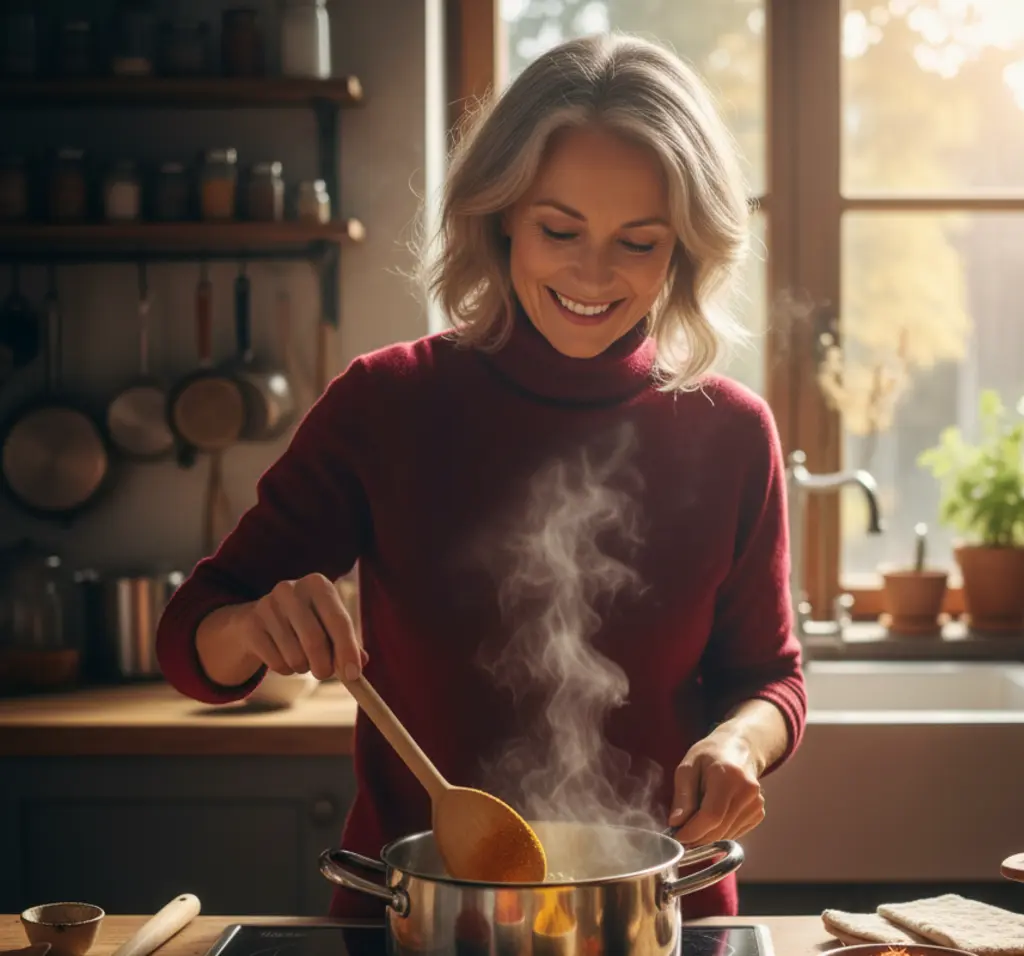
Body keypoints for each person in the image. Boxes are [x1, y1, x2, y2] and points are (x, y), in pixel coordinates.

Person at [156, 32, 806, 920]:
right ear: (500, 215)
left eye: (638, 242)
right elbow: (190, 642)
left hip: (655, 914)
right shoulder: (387, 403)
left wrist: (740, 741)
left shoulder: (731, 430)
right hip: (418, 912)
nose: (591, 273)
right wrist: (251, 626)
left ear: (684, 251)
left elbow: (770, 677)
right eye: (559, 229)